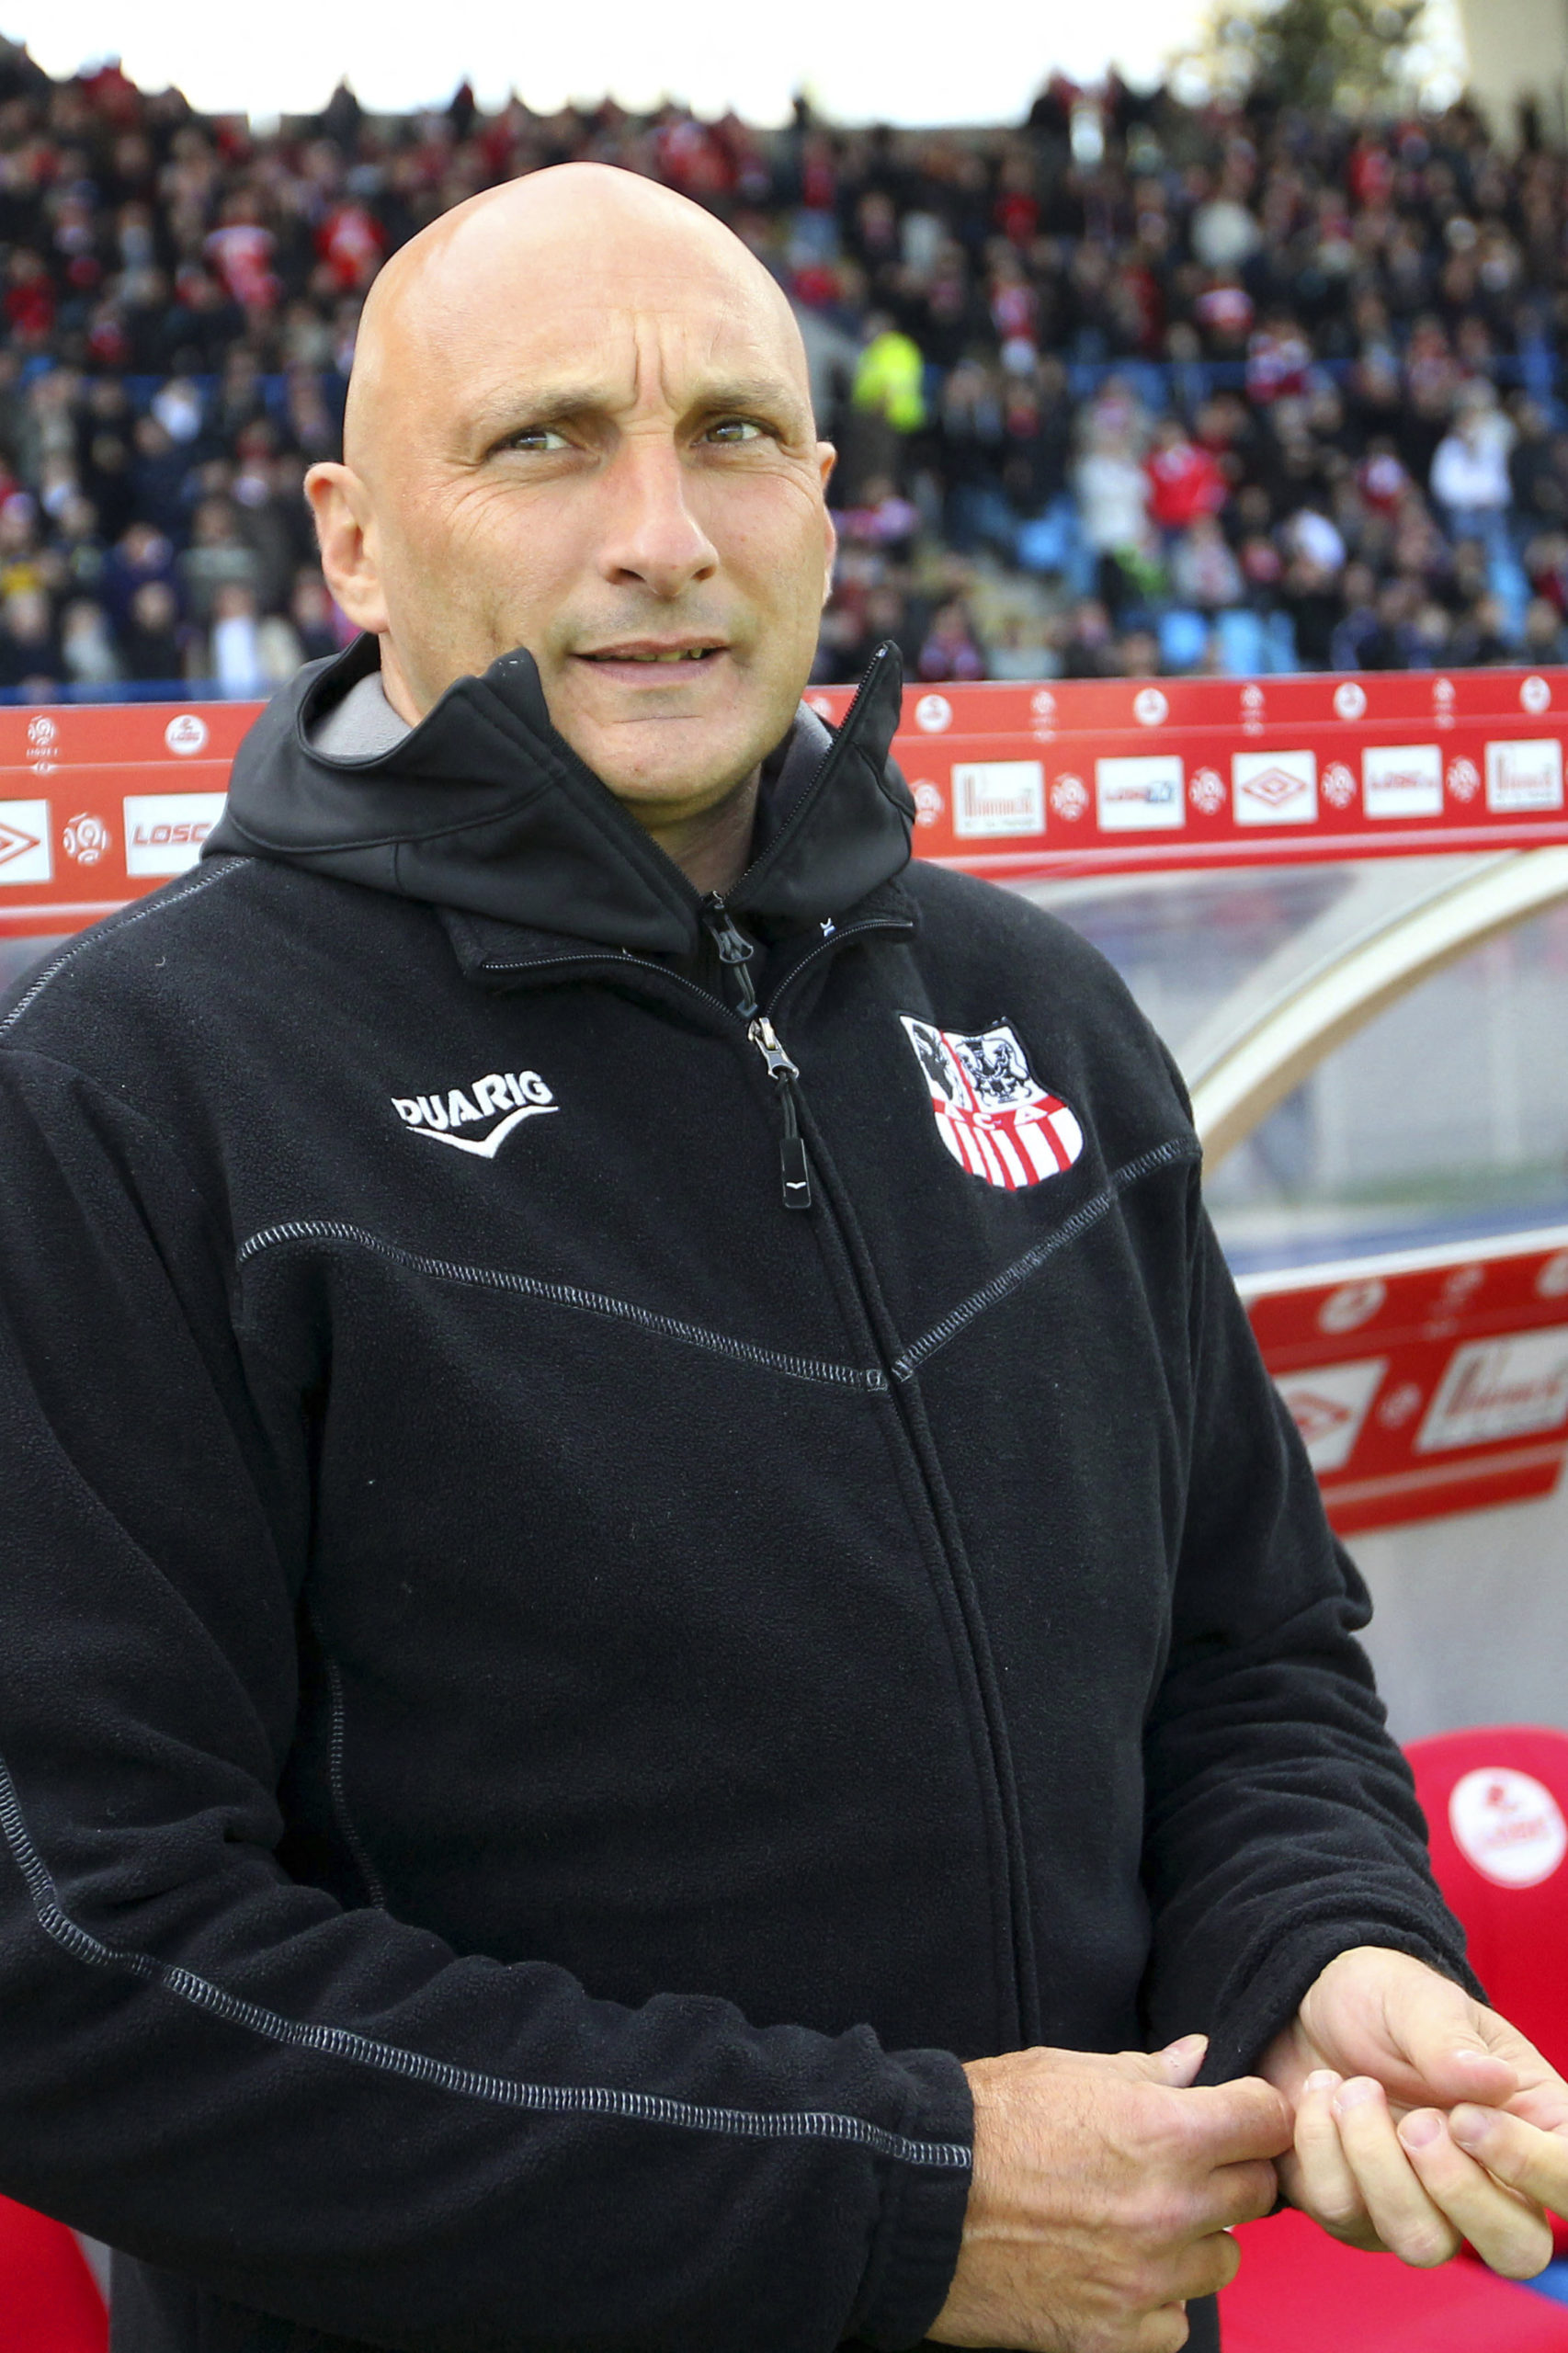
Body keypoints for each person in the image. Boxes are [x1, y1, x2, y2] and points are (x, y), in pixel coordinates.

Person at [1, 164, 1566, 2353]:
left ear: (824, 501)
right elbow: (75, 1957)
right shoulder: (122, 1094)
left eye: (732, 433)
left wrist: (1311, 1948)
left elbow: (1248, 1651)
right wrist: (905, 2201)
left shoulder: (1037, 1007)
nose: (662, 531)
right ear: (351, 540)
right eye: (546, 440)